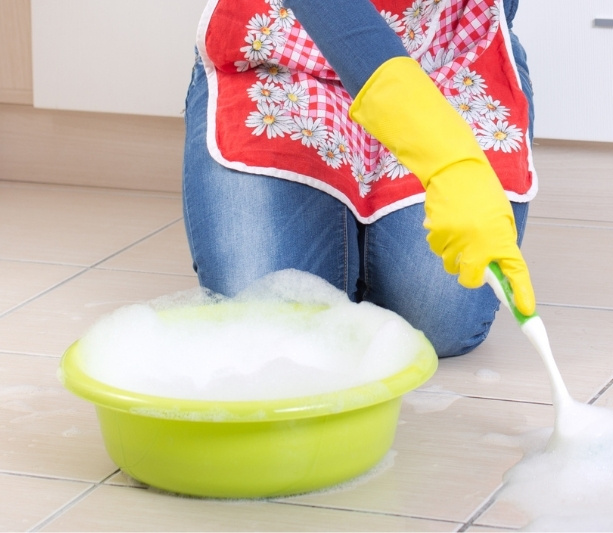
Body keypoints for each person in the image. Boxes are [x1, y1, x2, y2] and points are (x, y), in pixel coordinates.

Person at [183, 0, 537, 357]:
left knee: (435, 321)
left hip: (444, 45)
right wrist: (449, 159)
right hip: (282, 47)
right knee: (270, 325)